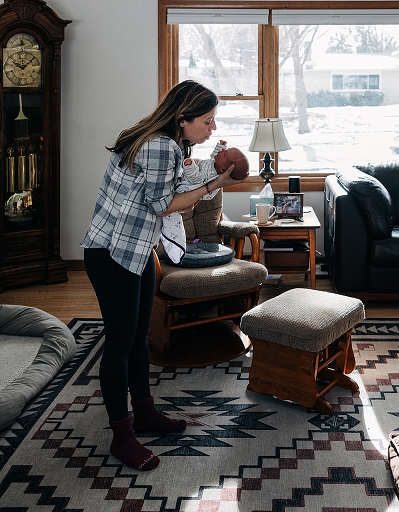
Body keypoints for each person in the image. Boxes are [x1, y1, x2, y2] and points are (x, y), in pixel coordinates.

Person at [80, 80, 247, 471]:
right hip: (111, 253)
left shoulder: (170, 144)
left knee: (138, 337)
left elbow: (179, 181)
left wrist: (214, 170)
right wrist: (218, 182)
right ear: (182, 118)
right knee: (119, 345)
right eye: (207, 120)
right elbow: (163, 204)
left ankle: (146, 414)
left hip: (136, 251)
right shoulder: (159, 145)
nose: (213, 128)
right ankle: (123, 438)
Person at [160, 140, 250, 263]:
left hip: (189, 185)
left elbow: (196, 178)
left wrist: (189, 165)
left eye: (224, 154)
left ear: (223, 170)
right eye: (224, 150)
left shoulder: (210, 175)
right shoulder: (215, 163)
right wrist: (221, 146)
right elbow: (215, 155)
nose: (222, 151)